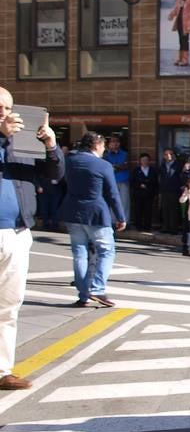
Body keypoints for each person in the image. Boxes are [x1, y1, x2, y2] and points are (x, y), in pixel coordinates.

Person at [0, 89, 62, 389]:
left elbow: (54, 174)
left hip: (17, 232)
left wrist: (50, 144)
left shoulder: (23, 141)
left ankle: (2, 370)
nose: (3, 112)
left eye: (7, 107)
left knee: (8, 304)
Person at [60, 132, 127, 309]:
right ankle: (97, 288)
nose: (104, 149)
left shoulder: (69, 160)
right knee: (106, 251)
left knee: (79, 253)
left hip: (73, 211)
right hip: (96, 212)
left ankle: (83, 295)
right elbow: (113, 194)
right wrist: (121, 217)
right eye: (103, 146)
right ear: (96, 145)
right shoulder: (103, 165)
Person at [103, 135, 130, 224]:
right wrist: (118, 166)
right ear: (109, 144)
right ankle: (113, 221)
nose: (114, 143)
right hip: (112, 180)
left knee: (124, 201)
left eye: (116, 141)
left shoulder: (125, 154)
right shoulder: (106, 155)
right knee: (112, 201)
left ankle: (125, 221)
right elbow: (107, 166)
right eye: (112, 142)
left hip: (123, 179)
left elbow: (125, 166)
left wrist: (114, 166)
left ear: (119, 143)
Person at [130, 153, 158, 232]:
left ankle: (147, 227)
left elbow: (155, 182)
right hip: (138, 194)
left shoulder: (153, 170)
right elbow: (132, 182)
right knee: (138, 211)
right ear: (140, 161)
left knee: (148, 211)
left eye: (146, 160)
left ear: (149, 161)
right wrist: (139, 185)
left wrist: (155, 193)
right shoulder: (136, 170)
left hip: (149, 194)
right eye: (143, 160)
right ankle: (138, 226)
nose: (144, 161)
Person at [159, 148, 184, 235]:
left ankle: (174, 228)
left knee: (174, 209)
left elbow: (181, 177)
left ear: (173, 155)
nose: (168, 156)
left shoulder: (178, 165)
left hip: (174, 190)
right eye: (166, 154)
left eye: (170, 154)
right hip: (165, 190)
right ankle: (166, 227)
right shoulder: (162, 164)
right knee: (165, 209)